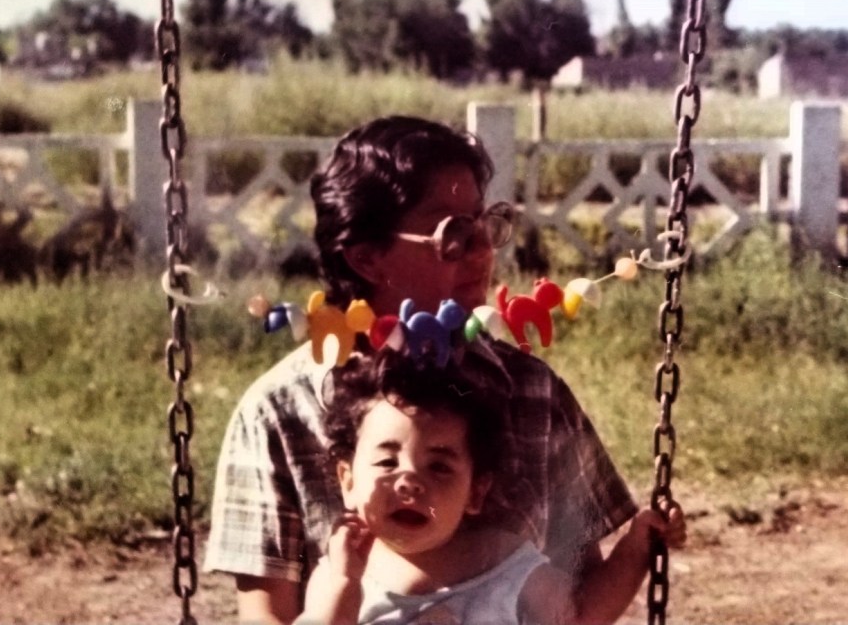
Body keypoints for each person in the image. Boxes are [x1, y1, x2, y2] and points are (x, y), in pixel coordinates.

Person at [205, 116, 649, 623]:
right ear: (367, 258)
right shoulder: (278, 412)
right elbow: (265, 615)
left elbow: (580, 583)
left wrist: (640, 546)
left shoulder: (532, 392)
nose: (483, 249)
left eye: (484, 223)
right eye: (453, 234)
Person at [298, 350, 686, 625]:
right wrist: (345, 586)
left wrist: (636, 546)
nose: (410, 483)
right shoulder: (340, 573)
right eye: (387, 462)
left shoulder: (504, 564)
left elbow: (582, 615)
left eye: (439, 468)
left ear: (476, 493)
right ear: (348, 481)